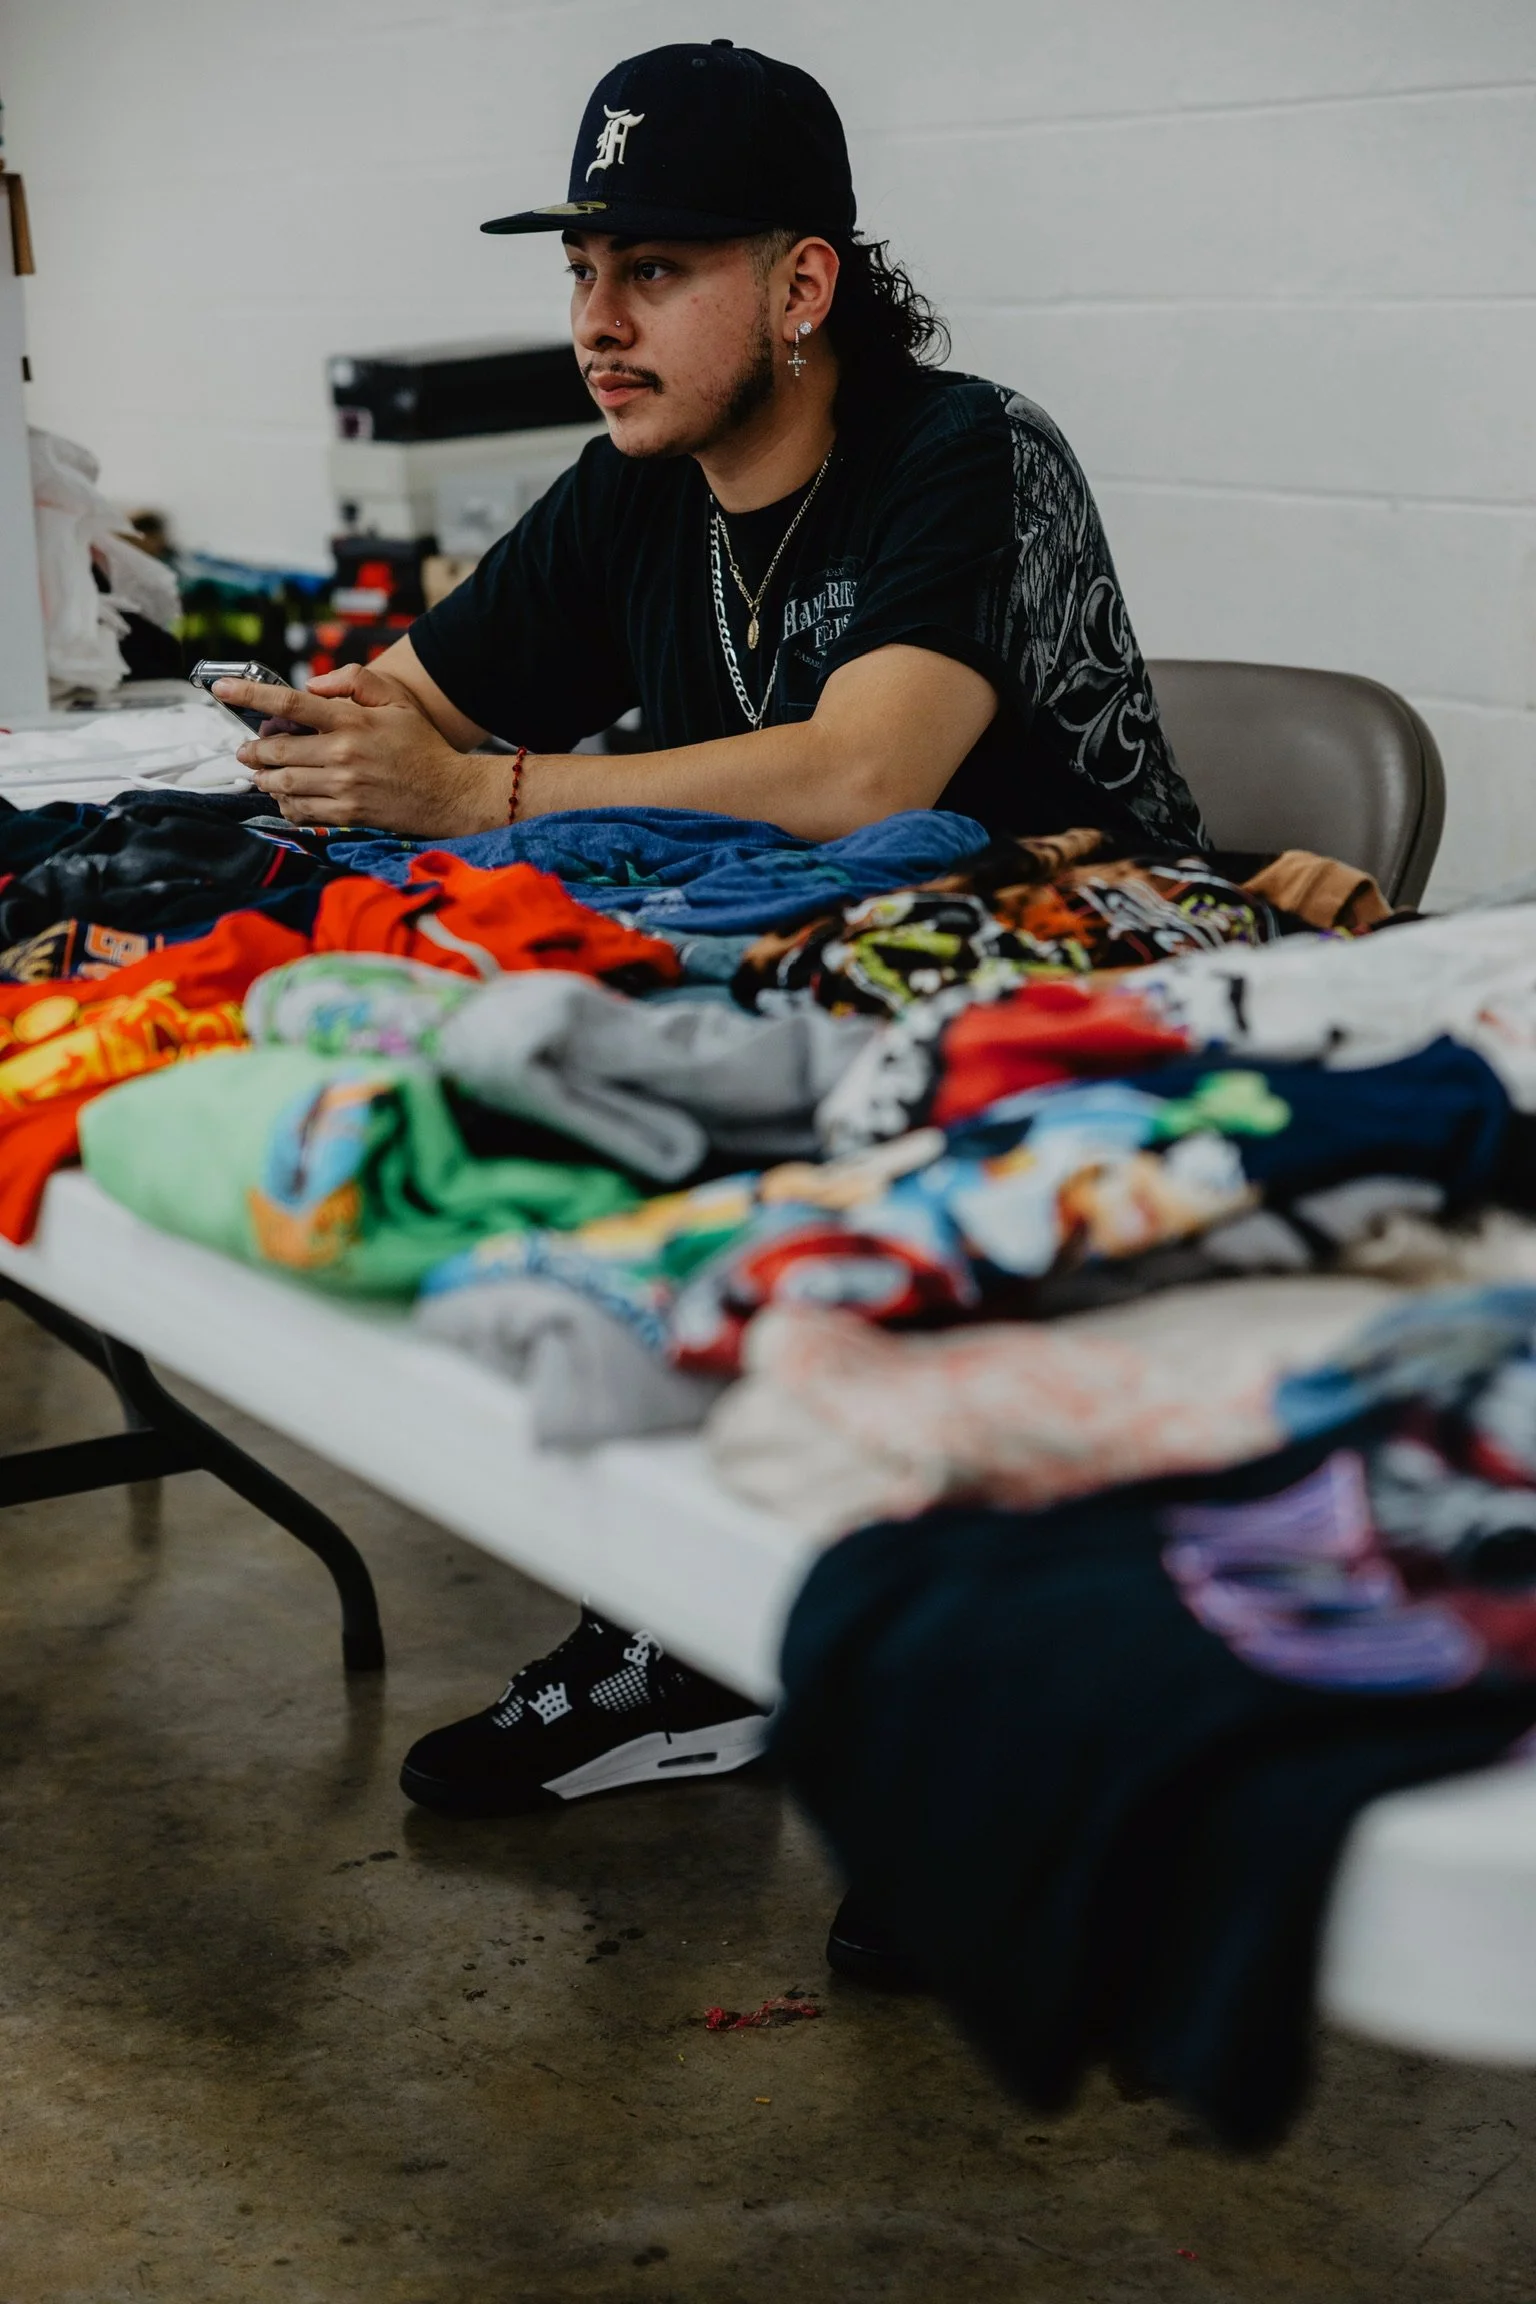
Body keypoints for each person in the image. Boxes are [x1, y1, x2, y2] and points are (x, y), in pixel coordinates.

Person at [215, 42, 1205, 1978]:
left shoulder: (960, 450)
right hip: (828, 993)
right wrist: (325, 736)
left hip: (1102, 987)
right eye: (582, 270)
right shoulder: (630, 487)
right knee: (560, 1084)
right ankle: (682, 1640)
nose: (597, 322)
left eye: (653, 270)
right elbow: (418, 699)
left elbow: (864, 779)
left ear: (805, 286)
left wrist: (490, 797)